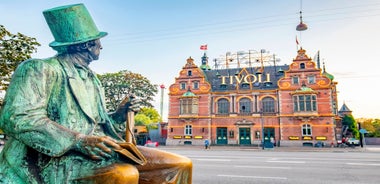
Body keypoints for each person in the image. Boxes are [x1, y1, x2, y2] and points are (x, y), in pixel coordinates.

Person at [0, 4, 192, 184]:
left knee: (181, 165)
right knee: (124, 174)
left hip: (103, 150)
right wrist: (79, 141)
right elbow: (18, 119)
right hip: (57, 157)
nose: (101, 46)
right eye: (98, 41)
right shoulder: (38, 68)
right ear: (86, 45)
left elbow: (95, 124)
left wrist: (118, 115)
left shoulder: (93, 79)